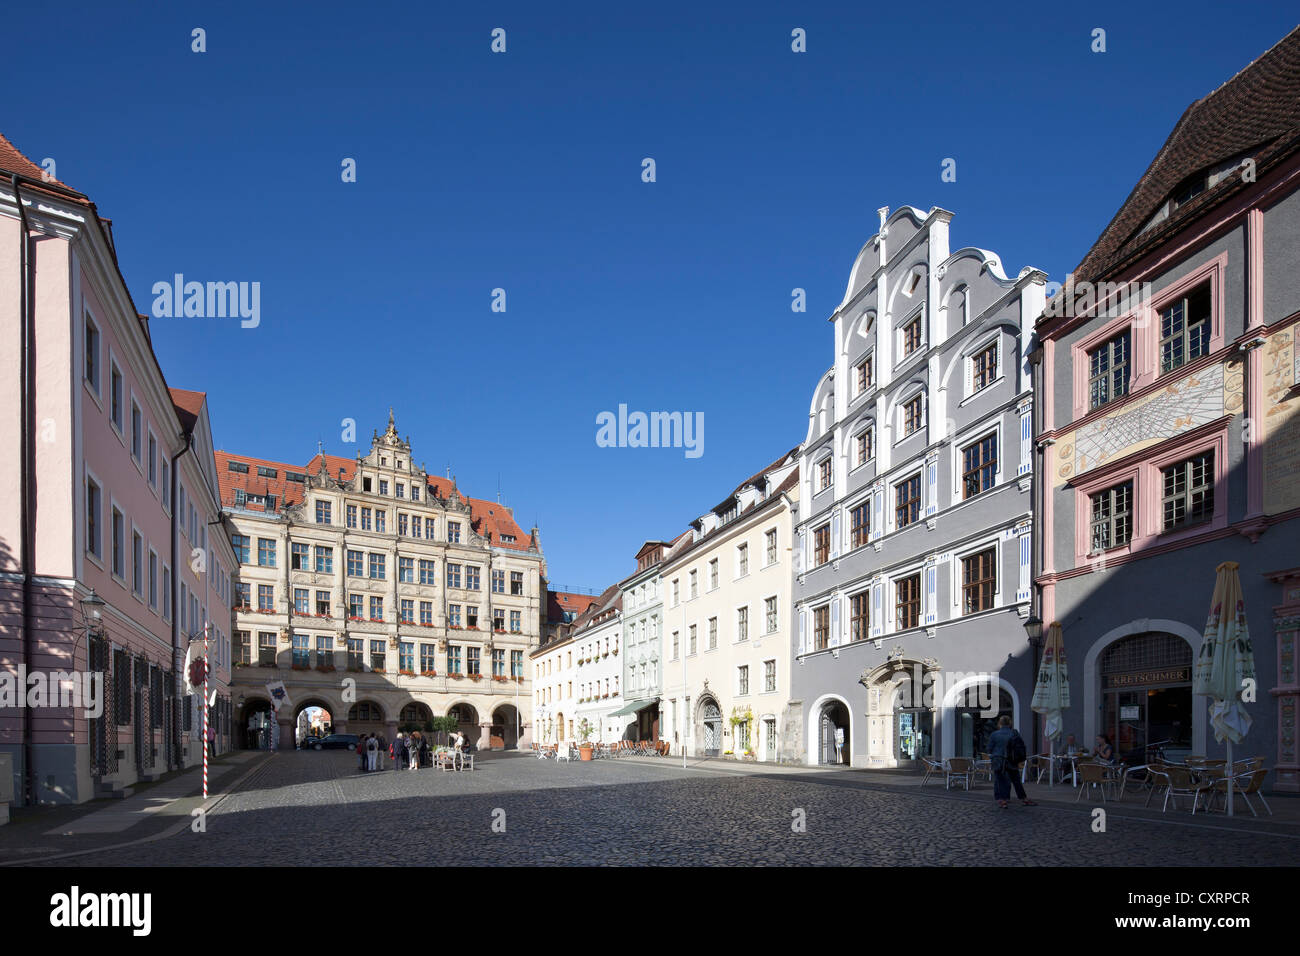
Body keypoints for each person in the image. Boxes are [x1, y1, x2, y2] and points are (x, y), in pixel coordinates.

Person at [988, 715, 1036, 809]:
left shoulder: (994, 734)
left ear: (1000, 723)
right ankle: (1023, 798)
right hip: (1012, 760)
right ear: (1010, 723)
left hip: (998, 760)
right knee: (1016, 780)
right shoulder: (1014, 733)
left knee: (1000, 780)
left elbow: (989, 749)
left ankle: (1003, 800)